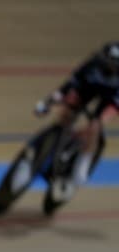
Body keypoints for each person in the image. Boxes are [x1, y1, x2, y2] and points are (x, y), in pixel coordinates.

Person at [33, 40, 119, 200]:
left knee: (95, 126)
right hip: (90, 88)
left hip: (112, 99)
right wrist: (47, 102)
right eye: (106, 63)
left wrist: (97, 124)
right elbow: (69, 85)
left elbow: (113, 107)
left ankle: (83, 164)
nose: (108, 67)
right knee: (67, 111)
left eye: (113, 66)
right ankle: (59, 141)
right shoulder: (93, 64)